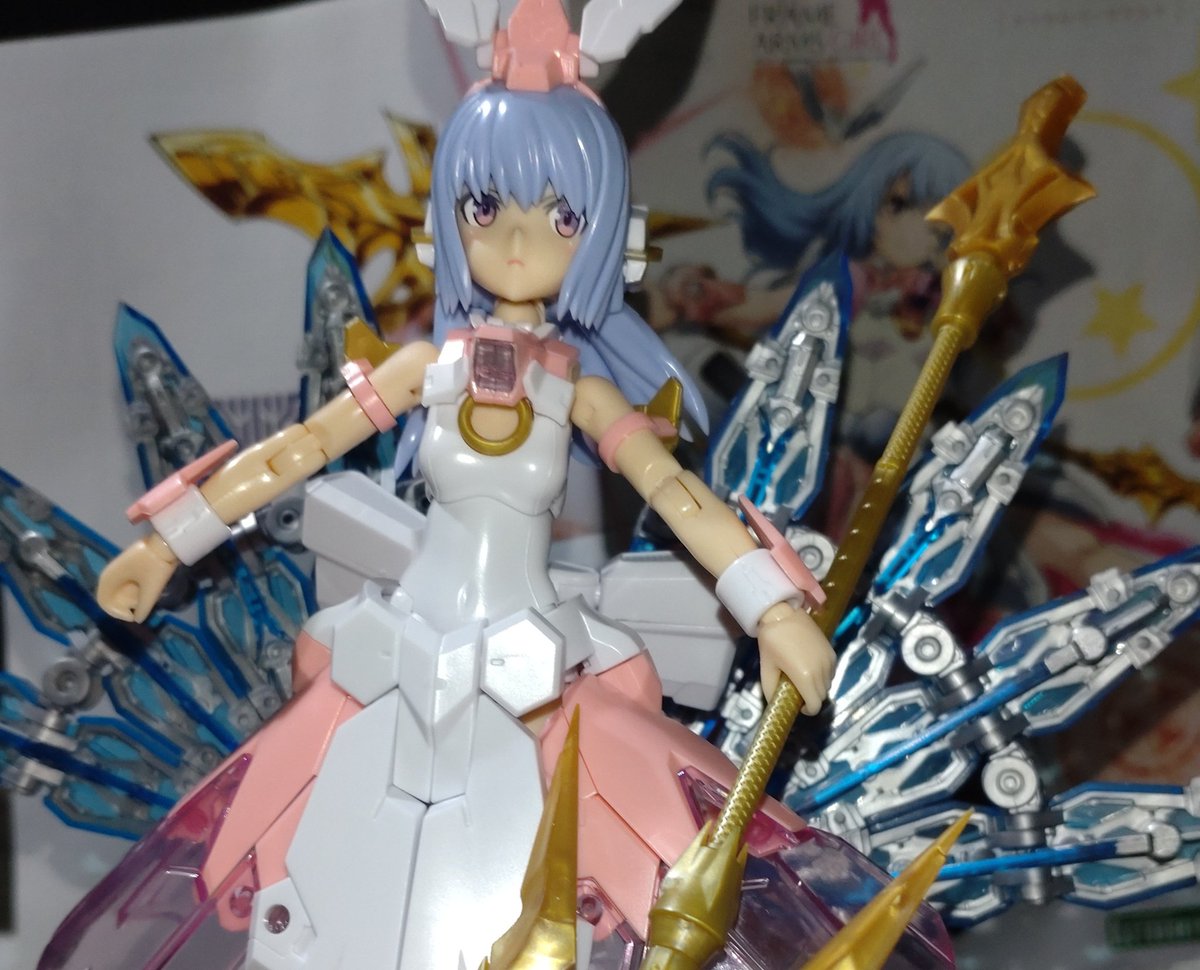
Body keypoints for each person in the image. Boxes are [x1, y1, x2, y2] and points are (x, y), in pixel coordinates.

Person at [88, 6, 836, 968]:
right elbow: (293, 453)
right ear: (451, 217)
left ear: (602, 233)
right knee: (322, 886)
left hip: (534, 668)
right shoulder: (423, 370)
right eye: (487, 208)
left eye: (558, 217)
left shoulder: (581, 390)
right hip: (395, 655)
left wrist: (771, 607)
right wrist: (168, 541)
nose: (517, 239)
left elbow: (678, 495)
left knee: (548, 876)